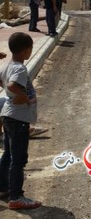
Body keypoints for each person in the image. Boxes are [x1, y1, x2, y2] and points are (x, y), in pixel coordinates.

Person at [0, 32, 42, 210]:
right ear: (26, 51)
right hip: (18, 119)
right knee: (18, 159)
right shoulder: (19, 68)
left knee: (8, 155)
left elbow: (4, 83)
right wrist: (24, 97)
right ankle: (16, 197)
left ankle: (3, 188)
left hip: (8, 116)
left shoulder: (7, 66)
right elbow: (11, 85)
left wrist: (10, 95)